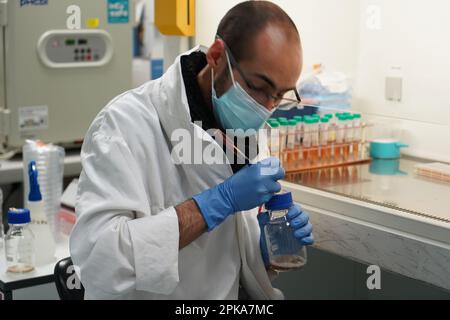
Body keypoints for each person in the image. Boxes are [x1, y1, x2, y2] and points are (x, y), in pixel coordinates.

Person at [70, 1, 313, 300]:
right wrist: (215, 202)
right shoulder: (124, 125)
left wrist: (263, 250)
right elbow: (101, 265)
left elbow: (224, 257)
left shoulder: (245, 126)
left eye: (280, 96)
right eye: (258, 87)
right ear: (216, 56)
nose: (266, 108)